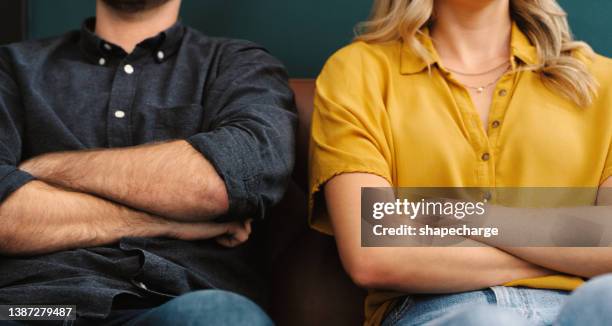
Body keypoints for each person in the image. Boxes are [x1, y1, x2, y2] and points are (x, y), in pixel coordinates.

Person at [309, 0, 612, 325]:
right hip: (437, 310)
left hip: (579, 306)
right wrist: (571, 258)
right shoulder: (358, 72)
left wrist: (465, 215)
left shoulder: (603, 80)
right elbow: (374, 256)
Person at [0, 0, 296, 324]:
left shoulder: (237, 65)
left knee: (222, 317)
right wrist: (175, 222)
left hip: (182, 304)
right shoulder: (13, 67)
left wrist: (45, 168)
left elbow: (226, 180)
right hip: (34, 308)